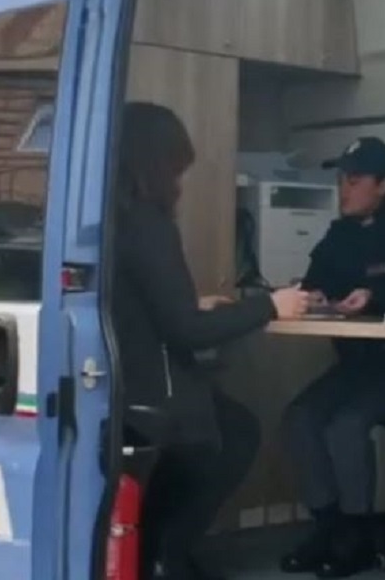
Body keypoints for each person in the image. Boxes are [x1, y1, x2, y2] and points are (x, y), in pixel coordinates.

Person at [110, 101, 310, 580]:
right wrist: (270, 306)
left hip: (121, 382)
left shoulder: (110, 219)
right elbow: (186, 331)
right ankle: (165, 557)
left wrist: (191, 302)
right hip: (154, 391)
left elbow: (137, 301)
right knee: (233, 435)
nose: (181, 180)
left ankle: (160, 552)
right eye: (178, 167)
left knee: (231, 427)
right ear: (157, 162)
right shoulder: (149, 224)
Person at [279, 136, 385, 578]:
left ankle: (358, 536)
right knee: (299, 418)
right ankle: (328, 527)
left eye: (354, 181)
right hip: (360, 365)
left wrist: (375, 297)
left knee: (346, 426)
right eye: (341, 181)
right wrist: (313, 295)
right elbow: (314, 281)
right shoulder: (340, 233)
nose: (343, 190)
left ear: (383, 185)